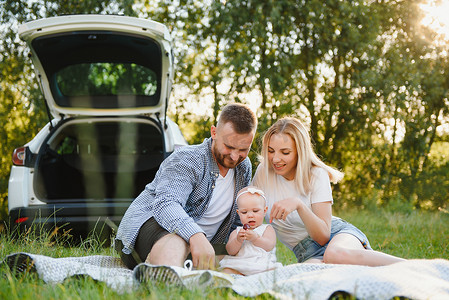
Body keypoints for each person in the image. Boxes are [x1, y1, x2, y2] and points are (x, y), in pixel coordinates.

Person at [115, 103, 257, 270]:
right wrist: (195, 235)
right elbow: (166, 204)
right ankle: (168, 281)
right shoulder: (187, 159)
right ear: (214, 132)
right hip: (154, 227)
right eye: (229, 147)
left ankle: (188, 271)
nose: (234, 156)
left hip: (204, 245)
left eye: (243, 149)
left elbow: (236, 220)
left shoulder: (244, 166)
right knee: (176, 241)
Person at [252, 117, 405, 266]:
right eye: (271, 151)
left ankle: (415, 266)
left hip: (337, 237)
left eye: (285, 153)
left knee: (334, 255)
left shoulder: (316, 174)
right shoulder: (263, 172)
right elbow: (248, 209)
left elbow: (323, 236)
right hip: (307, 252)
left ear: (300, 152)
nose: (275, 159)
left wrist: (299, 205)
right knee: (307, 275)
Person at [219, 186, 282, 275]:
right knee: (227, 271)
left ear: (264, 211)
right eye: (244, 212)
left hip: (261, 266)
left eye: (255, 211)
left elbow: (269, 246)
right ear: (239, 213)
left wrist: (255, 238)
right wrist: (237, 240)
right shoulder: (237, 232)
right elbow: (230, 251)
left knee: (274, 273)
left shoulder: (267, 229)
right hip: (239, 266)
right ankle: (236, 284)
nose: (250, 215)